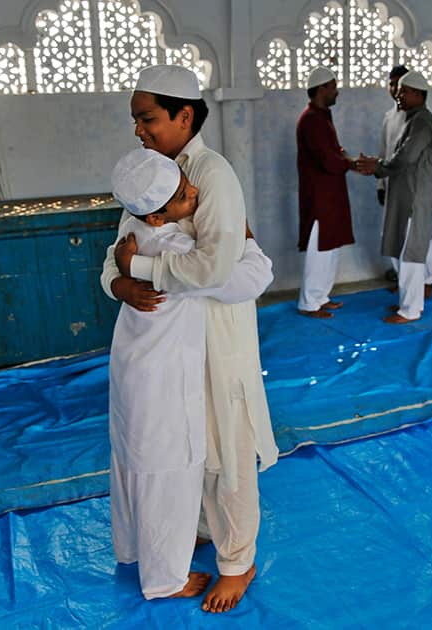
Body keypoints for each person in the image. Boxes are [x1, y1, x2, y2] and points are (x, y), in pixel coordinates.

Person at [100, 64, 279, 614]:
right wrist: (120, 283)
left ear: (184, 115)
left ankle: (238, 562)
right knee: (186, 445)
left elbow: (217, 267)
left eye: (147, 118)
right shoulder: (152, 172)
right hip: (173, 343)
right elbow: (115, 253)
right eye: (136, 120)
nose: (139, 130)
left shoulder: (211, 174)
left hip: (215, 339)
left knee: (226, 448)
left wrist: (144, 272)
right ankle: (193, 531)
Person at [355, 70, 432, 324]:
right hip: (402, 194)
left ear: (417, 94)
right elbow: (394, 156)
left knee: (412, 253)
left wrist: (377, 166)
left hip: (416, 197)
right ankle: (408, 302)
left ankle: (411, 309)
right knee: (403, 250)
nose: (399, 95)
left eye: (404, 91)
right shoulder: (407, 119)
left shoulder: (423, 122)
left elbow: (406, 157)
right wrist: (380, 169)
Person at [295, 66, 356, 319]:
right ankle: (309, 303)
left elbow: (333, 152)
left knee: (330, 248)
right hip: (320, 197)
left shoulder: (322, 116)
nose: (337, 92)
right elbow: (328, 160)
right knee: (319, 248)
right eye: (333, 86)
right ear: (322, 89)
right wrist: (350, 163)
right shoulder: (311, 119)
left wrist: (344, 158)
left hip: (331, 194)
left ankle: (321, 296)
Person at [376, 65, 408, 284]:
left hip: (409, 188)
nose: (395, 88)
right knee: (391, 234)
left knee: (412, 236)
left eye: (399, 84)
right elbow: (383, 150)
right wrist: (380, 184)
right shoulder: (389, 117)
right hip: (390, 186)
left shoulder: (415, 118)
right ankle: (401, 277)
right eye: (391, 83)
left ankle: (425, 281)